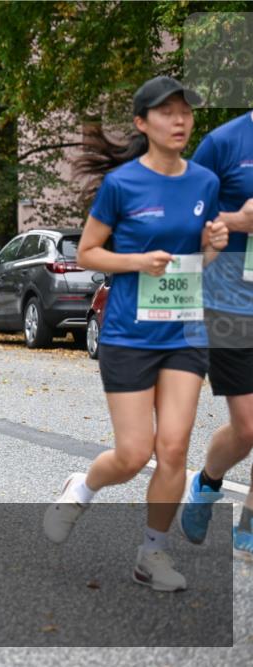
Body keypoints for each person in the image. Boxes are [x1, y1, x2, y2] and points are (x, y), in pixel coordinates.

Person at [42, 76, 228, 591]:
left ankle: (152, 554)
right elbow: (87, 253)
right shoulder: (121, 185)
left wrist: (214, 241)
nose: (179, 121)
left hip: (184, 332)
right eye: (166, 113)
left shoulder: (205, 183)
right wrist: (136, 262)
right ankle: (81, 488)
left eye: (185, 112)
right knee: (133, 455)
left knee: (173, 451)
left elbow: (199, 262)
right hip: (128, 333)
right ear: (143, 124)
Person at [179, 111, 253, 560]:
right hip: (230, 304)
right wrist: (240, 222)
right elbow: (187, 217)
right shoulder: (225, 143)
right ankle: (206, 483)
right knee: (247, 429)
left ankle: (250, 522)